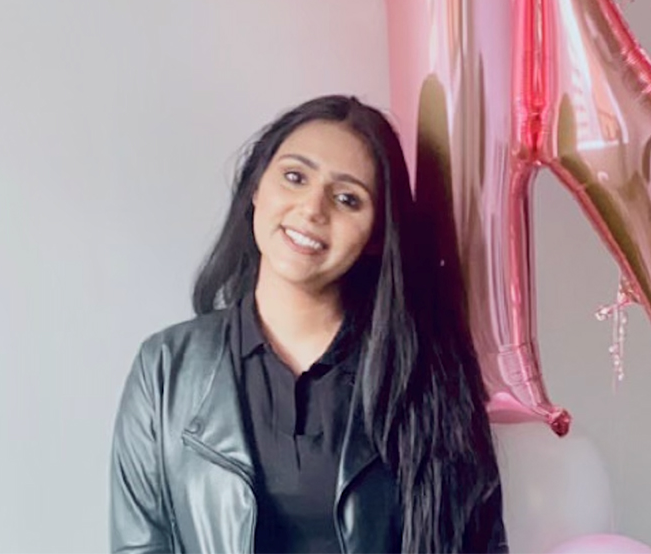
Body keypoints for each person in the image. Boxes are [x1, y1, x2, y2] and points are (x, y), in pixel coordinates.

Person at [110, 95, 507, 553]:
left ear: (378, 234)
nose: (313, 209)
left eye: (347, 199)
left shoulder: (428, 377)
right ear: (257, 186)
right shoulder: (166, 368)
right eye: (295, 177)